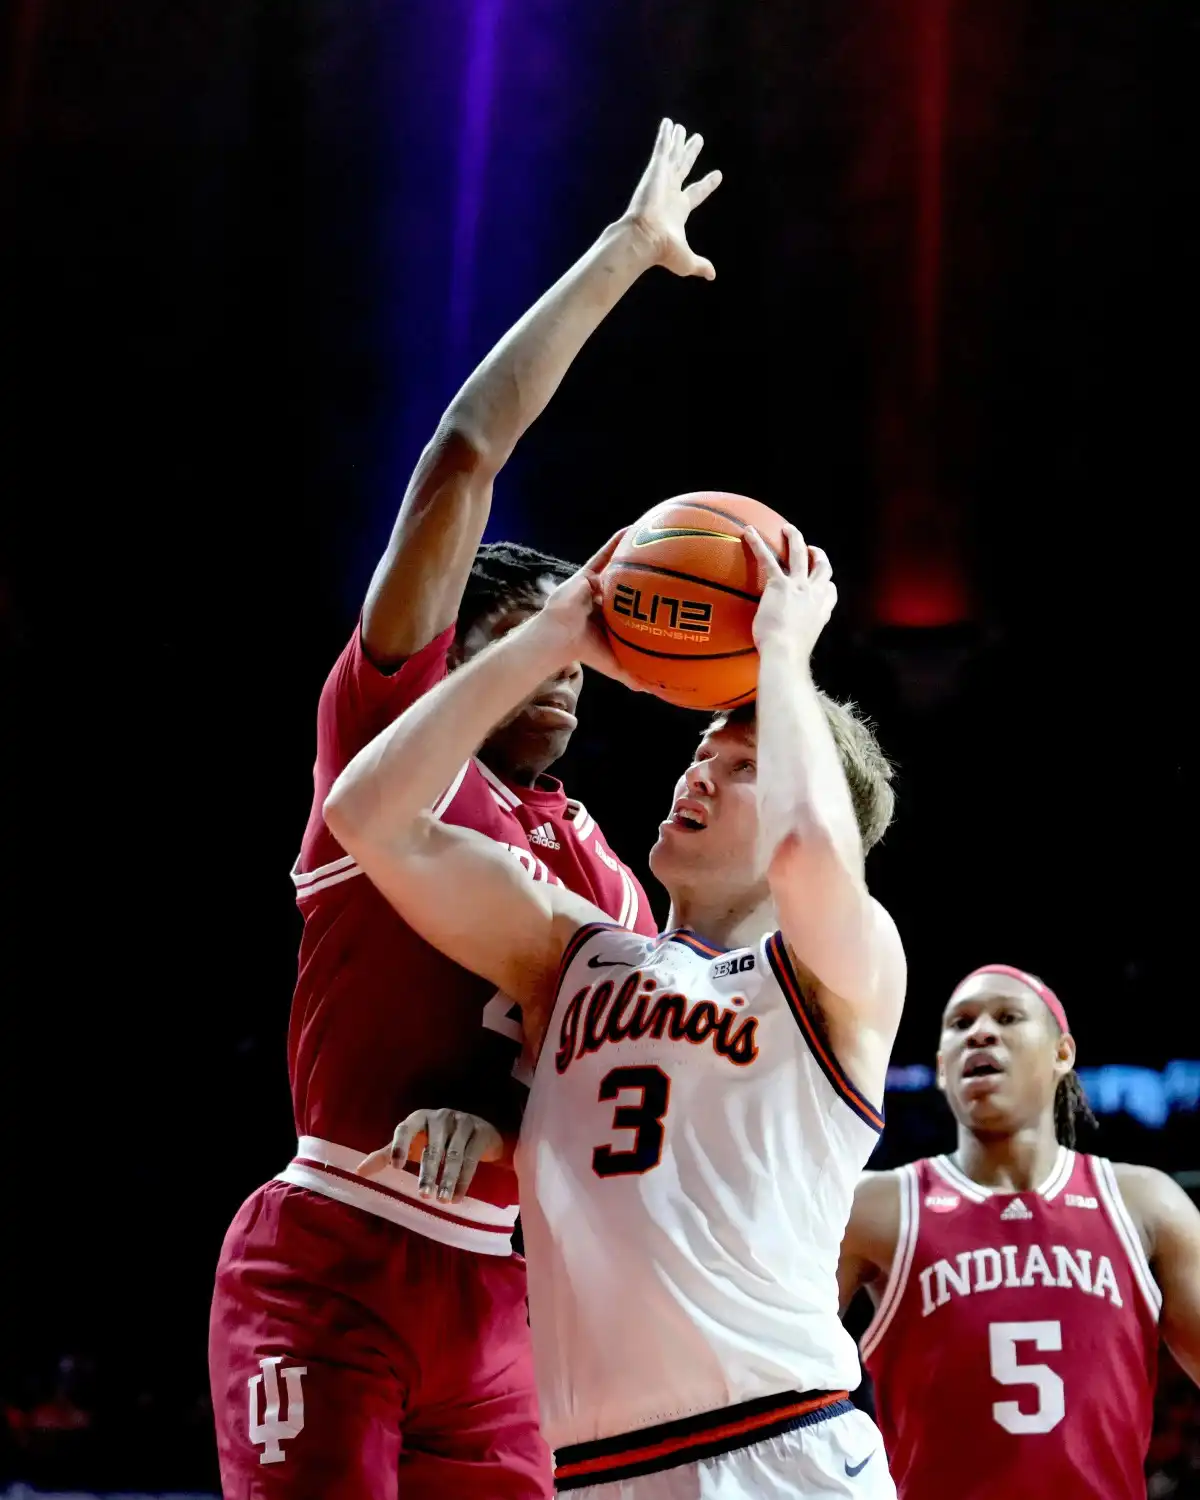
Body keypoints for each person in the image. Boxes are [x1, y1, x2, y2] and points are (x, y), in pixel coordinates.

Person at [208, 118, 723, 1500]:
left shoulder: (611, 873)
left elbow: (604, 1078)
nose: (573, 678)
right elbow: (462, 454)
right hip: (339, 1257)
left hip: (506, 1305)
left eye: (593, 662)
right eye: (540, 640)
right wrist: (622, 255)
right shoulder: (390, 745)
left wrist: (502, 1122)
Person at [329, 522, 907, 1499]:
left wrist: (783, 657)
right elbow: (367, 814)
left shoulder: (841, 977)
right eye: (700, 749)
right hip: (597, 1473)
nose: (699, 773)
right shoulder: (576, 954)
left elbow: (813, 849)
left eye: (743, 765)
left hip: (782, 1449)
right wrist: (550, 641)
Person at [839, 963, 1200, 1500]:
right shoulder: (877, 1206)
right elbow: (773, 1371)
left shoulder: (1145, 1204)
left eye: (1008, 1017)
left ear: (1062, 1054)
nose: (981, 1032)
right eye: (960, 1024)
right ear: (942, 1067)